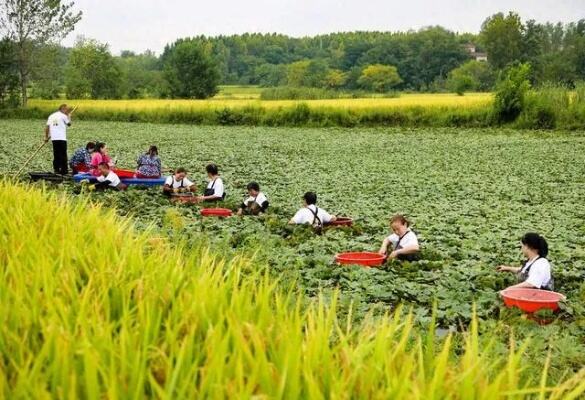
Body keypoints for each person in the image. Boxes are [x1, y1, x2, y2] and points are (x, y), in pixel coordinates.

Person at [44, 104, 73, 175]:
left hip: (54, 138)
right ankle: (64, 171)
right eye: (66, 109)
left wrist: (46, 137)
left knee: (56, 154)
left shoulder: (51, 116)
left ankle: (56, 169)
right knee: (63, 154)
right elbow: (69, 124)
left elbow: (47, 127)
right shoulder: (64, 116)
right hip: (62, 138)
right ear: (62, 109)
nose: (67, 111)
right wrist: (69, 117)